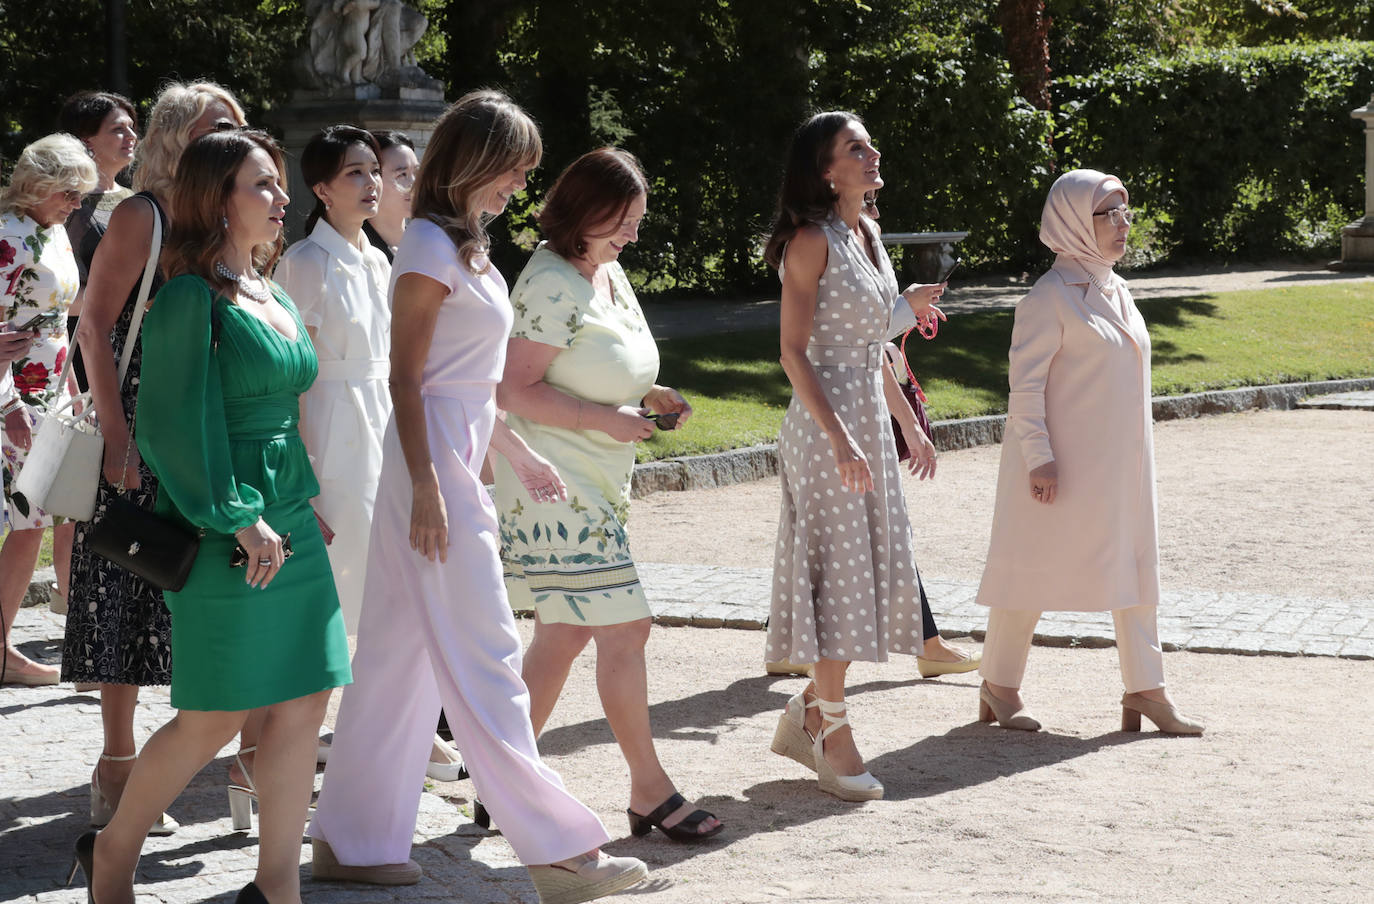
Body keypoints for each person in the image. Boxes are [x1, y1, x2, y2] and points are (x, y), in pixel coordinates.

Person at [308, 90, 647, 903]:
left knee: (395, 660)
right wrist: (427, 485)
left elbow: (473, 384)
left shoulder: (464, 246)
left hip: (455, 458)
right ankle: (560, 849)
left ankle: (349, 841)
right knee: (490, 652)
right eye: (515, 168)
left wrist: (518, 453)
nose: (522, 185)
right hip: (432, 471)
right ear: (477, 160)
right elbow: (408, 378)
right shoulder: (427, 242)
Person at [76, 128, 352, 904]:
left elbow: (284, 415)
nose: (281, 198)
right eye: (261, 185)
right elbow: (167, 426)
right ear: (216, 200)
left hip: (290, 521)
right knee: (216, 714)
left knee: (302, 703)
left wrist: (304, 508)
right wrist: (236, 514)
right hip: (226, 526)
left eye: (279, 184)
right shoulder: (188, 296)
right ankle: (112, 856)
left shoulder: (272, 291)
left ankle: (276, 889)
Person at [494, 147, 720, 842]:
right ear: (582, 211)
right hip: (552, 481)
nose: (631, 234)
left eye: (636, 221)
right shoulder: (550, 281)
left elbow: (598, 363)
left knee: (561, 635)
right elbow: (510, 389)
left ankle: (500, 783)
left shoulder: (608, 271)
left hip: (597, 477)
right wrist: (605, 419)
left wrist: (648, 396)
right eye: (620, 220)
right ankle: (650, 790)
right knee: (625, 627)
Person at [64, 80, 247, 837]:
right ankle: (117, 762)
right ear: (177, 135)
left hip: (210, 418)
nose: (232, 135)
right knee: (129, 587)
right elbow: (93, 326)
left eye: (238, 124)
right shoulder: (146, 213)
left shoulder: (231, 216)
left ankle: (226, 758)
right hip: (139, 422)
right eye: (217, 124)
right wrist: (116, 438)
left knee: (204, 592)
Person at [973, 169, 1203, 736]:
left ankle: (1146, 689)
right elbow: (1024, 389)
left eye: (1126, 212)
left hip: (1122, 468)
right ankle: (998, 686)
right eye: (1109, 214)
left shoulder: (1117, 289)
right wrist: (1039, 458)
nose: (1124, 225)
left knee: (1136, 565)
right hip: (1059, 467)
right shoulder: (1047, 297)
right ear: (1075, 221)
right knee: (1028, 568)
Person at [761, 111, 947, 802]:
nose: (872, 154)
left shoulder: (866, 232)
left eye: (870, 142)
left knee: (867, 577)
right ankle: (832, 733)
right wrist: (841, 440)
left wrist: (908, 427)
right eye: (854, 148)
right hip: (824, 429)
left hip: (867, 421)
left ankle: (811, 710)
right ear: (824, 170)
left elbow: (876, 349)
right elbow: (792, 352)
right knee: (840, 579)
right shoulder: (810, 241)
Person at [273, 124, 463, 782]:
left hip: (380, 420)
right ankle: (288, 741)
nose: (371, 183)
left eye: (373, 172)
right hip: (330, 431)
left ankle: (386, 729)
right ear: (321, 188)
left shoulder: (381, 259)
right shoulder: (304, 263)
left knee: (388, 576)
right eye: (355, 173)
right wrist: (298, 478)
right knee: (338, 581)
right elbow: (290, 376)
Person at [0, 133, 95, 687]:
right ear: (39, 182)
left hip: (52, 391)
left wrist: (76, 390)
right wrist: (7, 401)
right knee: (30, 520)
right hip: (16, 396)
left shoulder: (51, 231)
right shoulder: (9, 235)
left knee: (51, 516)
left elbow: (64, 315)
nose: (76, 203)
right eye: (68, 191)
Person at [58, 91, 138, 400]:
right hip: (83, 351)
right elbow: (55, 295)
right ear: (86, 140)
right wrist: (122, 298)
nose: (131, 135)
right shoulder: (64, 206)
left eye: (132, 127)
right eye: (118, 128)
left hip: (139, 347)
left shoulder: (137, 200)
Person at [362, 129, 418, 261]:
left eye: (417, 172)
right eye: (402, 174)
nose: (414, 183)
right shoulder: (357, 250)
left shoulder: (426, 243)